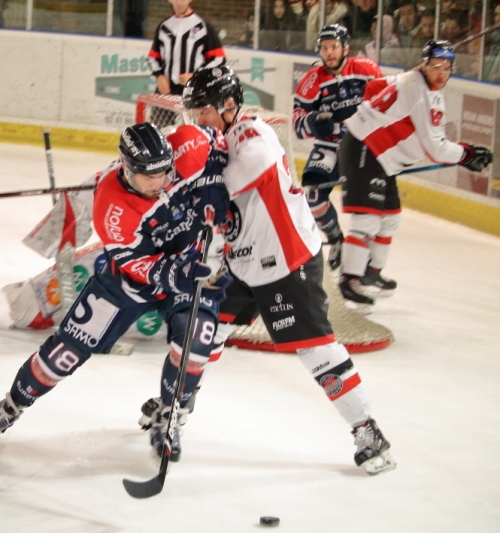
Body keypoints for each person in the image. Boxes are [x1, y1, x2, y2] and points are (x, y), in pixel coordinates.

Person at [173, 65, 397, 476]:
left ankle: (367, 430)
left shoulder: (254, 133)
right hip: (241, 262)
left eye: (202, 111)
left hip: (286, 262)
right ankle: (179, 402)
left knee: (315, 349)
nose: (197, 120)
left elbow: (246, 170)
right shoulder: (219, 141)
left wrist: (202, 181)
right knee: (205, 327)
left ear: (227, 105)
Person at [0, 122, 232, 463]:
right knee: (64, 354)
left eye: (163, 173)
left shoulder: (182, 150)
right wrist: (183, 274)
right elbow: (140, 267)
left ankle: (169, 416)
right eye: (147, 176)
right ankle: (11, 405)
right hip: (129, 283)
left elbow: (217, 138)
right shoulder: (111, 205)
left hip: (190, 267)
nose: (158, 183)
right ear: (125, 166)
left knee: (194, 345)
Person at [337, 40, 493, 305]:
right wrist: (466, 153)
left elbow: (372, 88)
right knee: (368, 221)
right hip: (367, 150)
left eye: (446, 67)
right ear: (424, 65)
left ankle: (371, 273)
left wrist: (384, 112)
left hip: (378, 155)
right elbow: (436, 149)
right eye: (435, 67)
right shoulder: (423, 94)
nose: (441, 73)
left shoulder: (410, 79)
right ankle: (349, 279)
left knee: (390, 218)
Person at [293, 25, 383, 271]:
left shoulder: (366, 69)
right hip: (329, 145)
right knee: (312, 194)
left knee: (369, 207)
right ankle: (336, 239)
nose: (329, 52)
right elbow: (297, 125)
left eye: (334, 46)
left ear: (346, 48)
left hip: (363, 144)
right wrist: (313, 123)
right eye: (324, 48)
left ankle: (368, 260)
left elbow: (386, 104)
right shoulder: (311, 80)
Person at [147, 0, 225, 98]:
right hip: (165, 90)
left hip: (194, 90)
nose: (179, 3)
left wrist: (196, 76)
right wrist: (159, 76)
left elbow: (219, 59)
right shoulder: (163, 27)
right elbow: (153, 57)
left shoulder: (203, 26)